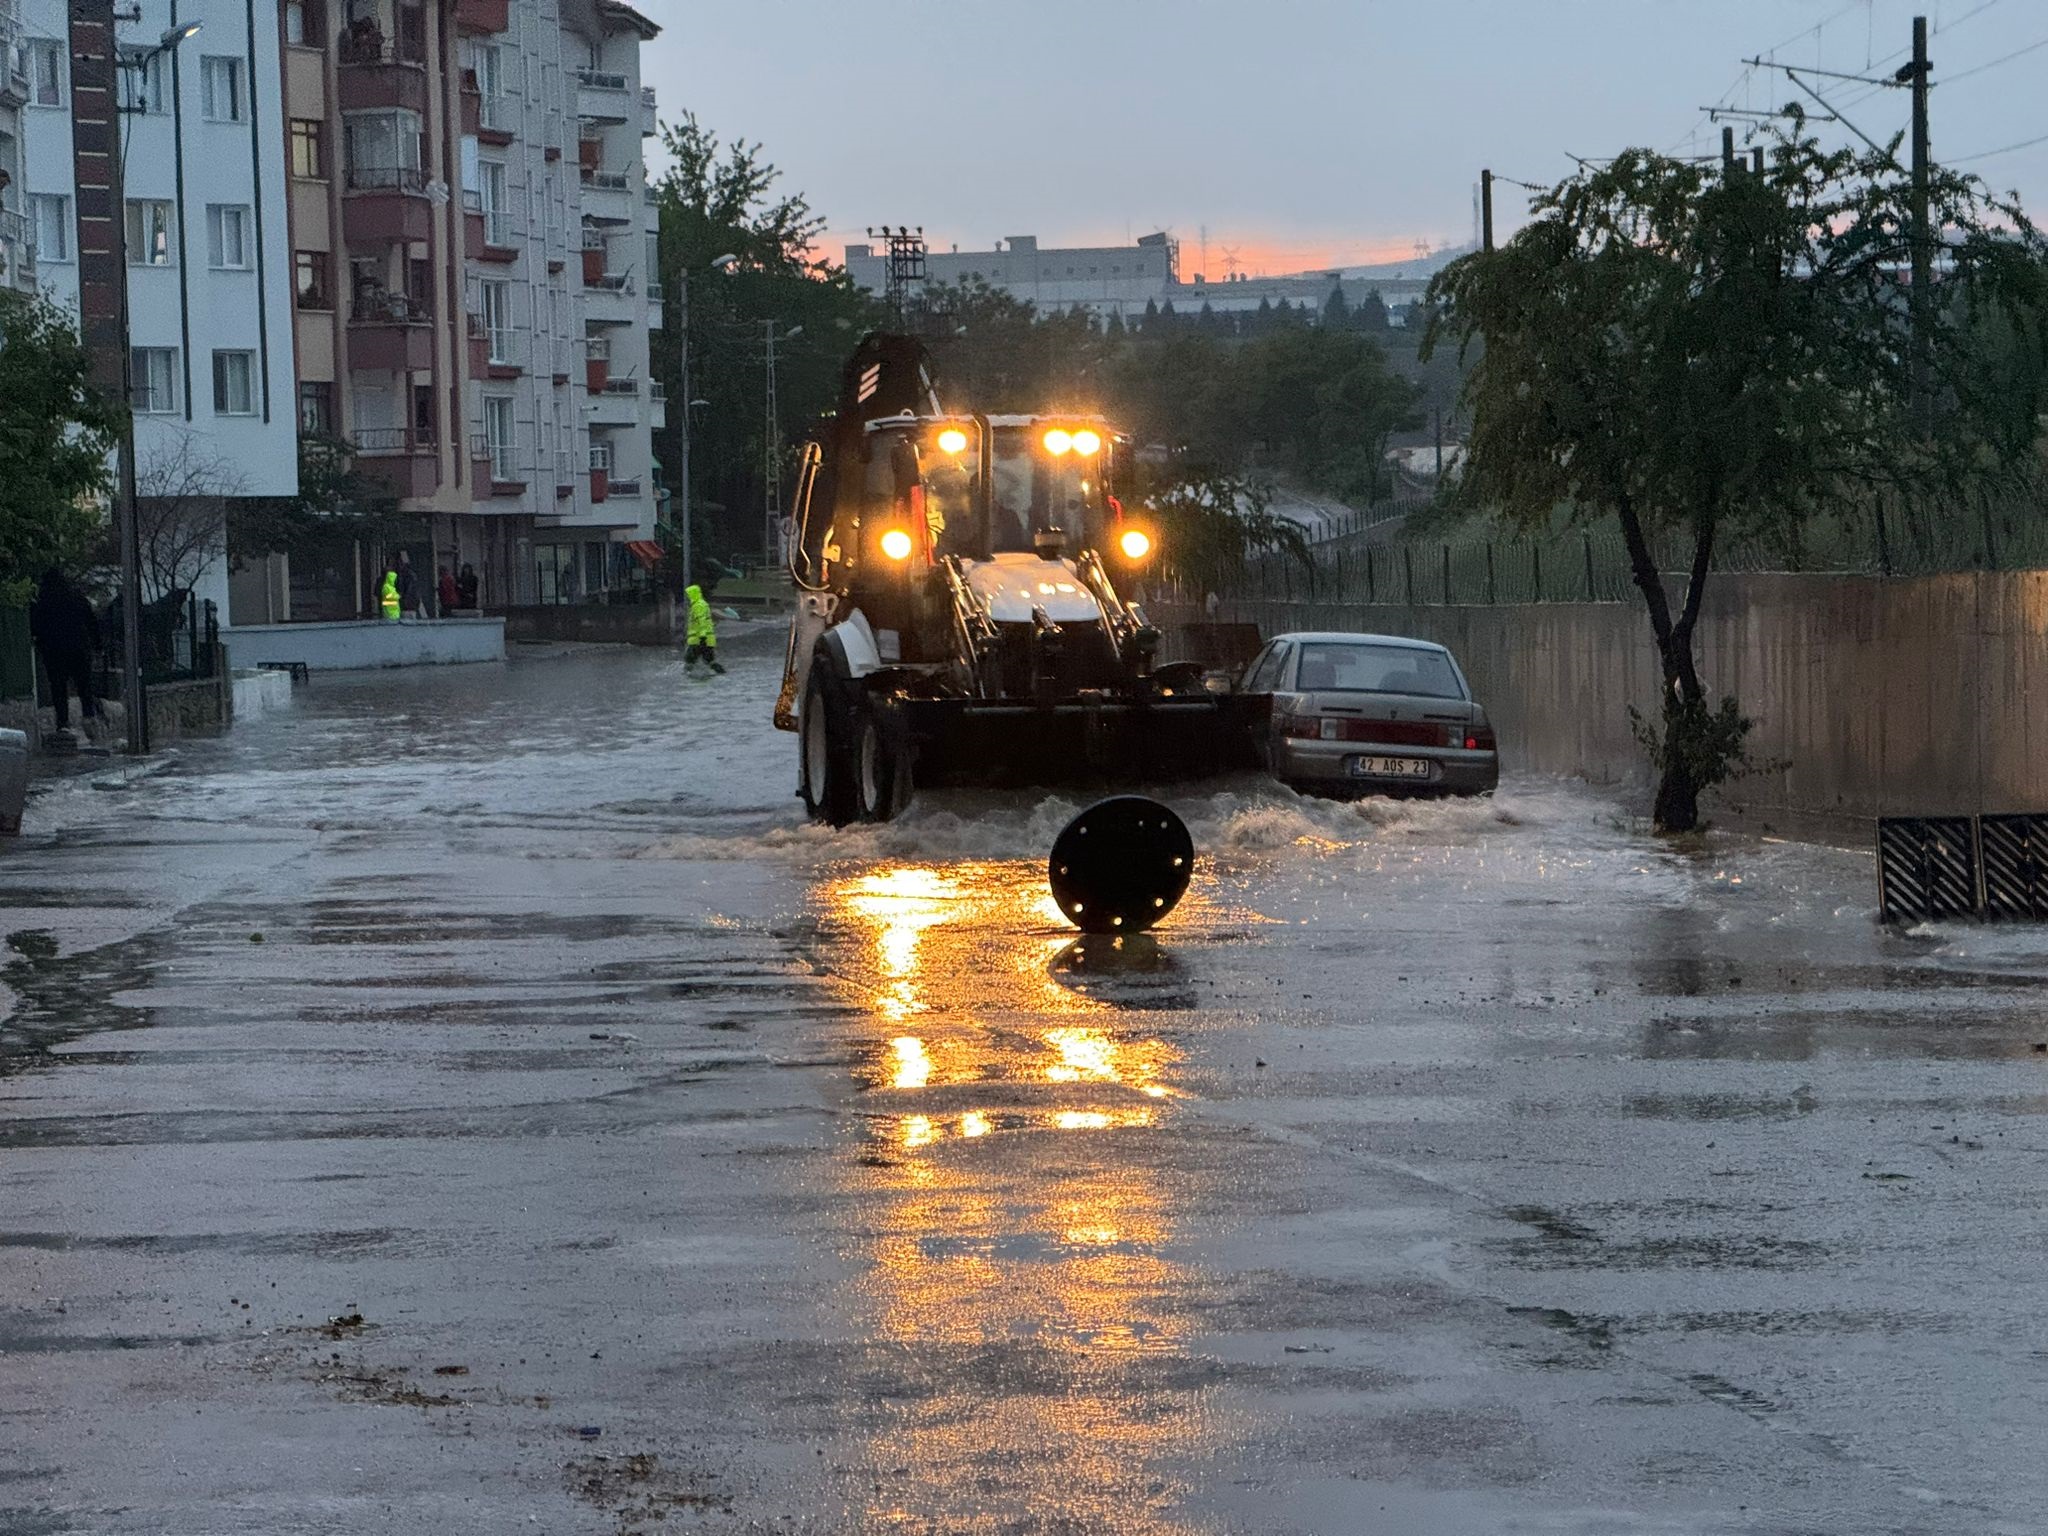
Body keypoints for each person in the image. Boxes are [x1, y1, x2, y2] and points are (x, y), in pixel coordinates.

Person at [28, 568, 101, 734]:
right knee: (84, 684)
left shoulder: (43, 601)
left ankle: (63, 723)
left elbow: (35, 626)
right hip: (79, 649)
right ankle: (89, 718)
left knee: (59, 687)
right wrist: (97, 645)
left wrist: (40, 642)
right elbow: (92, 621)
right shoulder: (76, 597)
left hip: (54, 652)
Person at [683, 582, 723, 674]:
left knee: (689, 660)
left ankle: (686, 677)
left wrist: (702, 636)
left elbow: (702, 621)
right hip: (706, 639)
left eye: (689, 595)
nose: (688, 597)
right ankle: (721, 673)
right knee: (709, 661)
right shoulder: (702, 604)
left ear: (693, 594)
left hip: (698, 639)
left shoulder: (698, 605)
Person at [395, 551, 421, 618]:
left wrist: (403, 601)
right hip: (410, 605)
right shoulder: (410, 575)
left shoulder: (406, 576)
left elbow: (407, 590)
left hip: (407, 606)